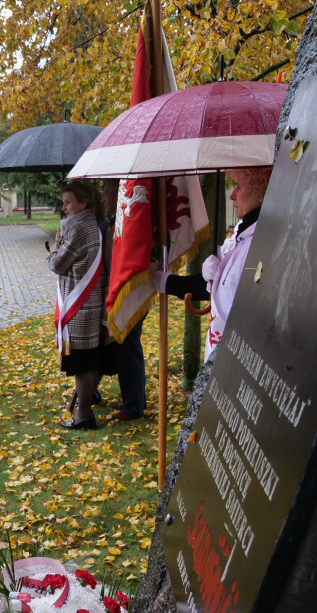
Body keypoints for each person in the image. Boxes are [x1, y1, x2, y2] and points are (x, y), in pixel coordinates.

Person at [151, 166, 272, 361]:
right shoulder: (242, 235)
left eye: (239, 187)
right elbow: (212, 289)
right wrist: (169, 282)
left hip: (240, 359)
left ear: (261, 192)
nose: (232, 195)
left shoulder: (262, 243)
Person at [48, 181, 105, 430]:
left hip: (79, 305)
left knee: (82, 364)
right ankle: (86, 405)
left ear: (83, 203)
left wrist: (54, 249)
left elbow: (58, 264)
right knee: (90, 359)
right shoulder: (91, 223)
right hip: (90, 302)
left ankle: (83, 415)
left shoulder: (78, 227)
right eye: (63, 203)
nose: (64, 208)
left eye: (68, 202)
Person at [97, 184, 146, 421]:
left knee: (127, 347)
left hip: (128, 294)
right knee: (121, 347)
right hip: (118, 294)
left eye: (105, 191)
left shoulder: (126, 221)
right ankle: (131, 401)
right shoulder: (114, 222)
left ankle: (134, 406)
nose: (102, 197)